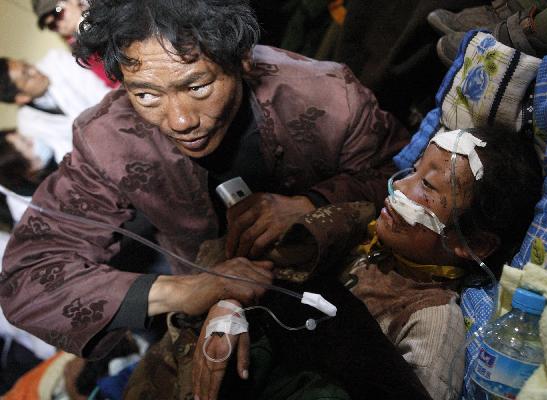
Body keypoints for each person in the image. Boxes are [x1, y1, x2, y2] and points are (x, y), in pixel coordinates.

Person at [0, 0, 407, 363]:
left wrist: (311, 204)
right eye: (145, 96)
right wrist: (188, 291)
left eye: (197, 86)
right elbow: (27, 279)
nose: (179, 120)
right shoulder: (107, 141)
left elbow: (396, 173)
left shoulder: (326, 95)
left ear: (242, 59)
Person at [191, 127, 542, 400]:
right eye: (414, 169)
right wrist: (231, 305)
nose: (399, 187)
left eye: (427, 186)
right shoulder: (360, 239)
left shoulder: (431, 322)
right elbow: (259, 276)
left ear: (475, 243)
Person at [0, 52, 111, 163]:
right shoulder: (28, 125)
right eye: (27, 76)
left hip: (118, 114)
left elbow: (103, 96)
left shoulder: (56, 61)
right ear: (22, 98)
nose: (34, 70)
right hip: (102, 155)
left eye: (26, 65)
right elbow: (65, 152)